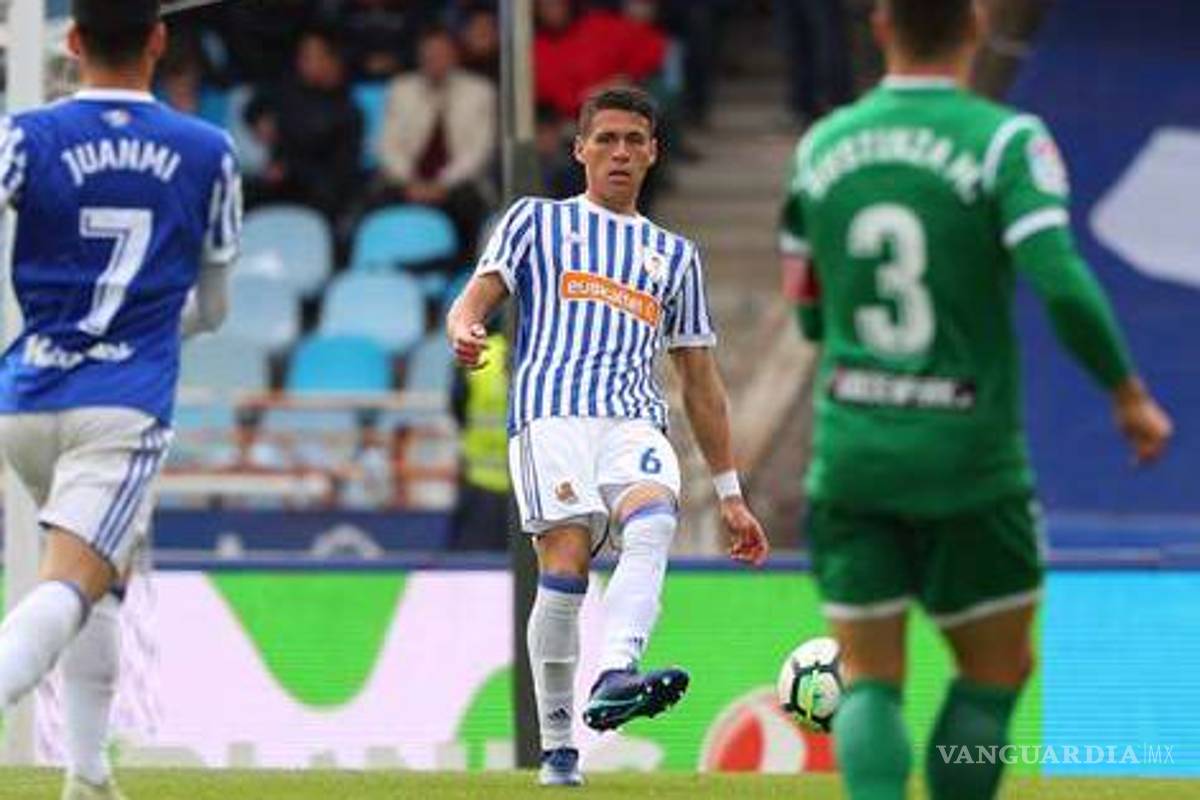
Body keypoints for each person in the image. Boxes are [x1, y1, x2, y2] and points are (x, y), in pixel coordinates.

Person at [779, 2, 1173, 799]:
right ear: (979, 23)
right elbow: (1060, 280)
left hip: (855, 452)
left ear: (880, 23)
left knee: (867, 676)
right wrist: (1127, 393)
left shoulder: (819, 148)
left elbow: (808, 308)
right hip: (969, 456)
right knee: (995, 671)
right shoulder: (1004, 142)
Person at [447, 86, 769, 787]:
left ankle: (617, 672)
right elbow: (477, 296)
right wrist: (464, 327)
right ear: (581, 149)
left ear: (653, 152)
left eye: (634, 141)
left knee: (654, 519)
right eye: (607, 139)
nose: (620, 152)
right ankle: (558, 749)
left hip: (632, 418)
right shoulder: (535, 221)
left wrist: (731, 492)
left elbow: (701, 383)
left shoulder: (674, 256)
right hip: (551, 415)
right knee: (563, 567)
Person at [0, 2, 241, 798]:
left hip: (25, 395)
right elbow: (213, 309)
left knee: (107, 566)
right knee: (70, 578)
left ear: (70, 42)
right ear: (160, 40)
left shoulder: (25, 136)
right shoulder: (207, 149)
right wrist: (141, 319)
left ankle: (88, 773)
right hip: (124, 402)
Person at [377, 25, 496, 259]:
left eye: (441, 54)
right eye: (428, 55)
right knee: (372, 202)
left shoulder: (481, 91)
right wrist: (410, 181)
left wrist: (442, 184)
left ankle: (464, 273)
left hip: (458, 184)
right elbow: (387, 146)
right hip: (407, 182)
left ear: (455, 55)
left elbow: (478, 152)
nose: (434, 60)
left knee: (469, 205)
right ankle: (384, 270)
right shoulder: (400, 89)